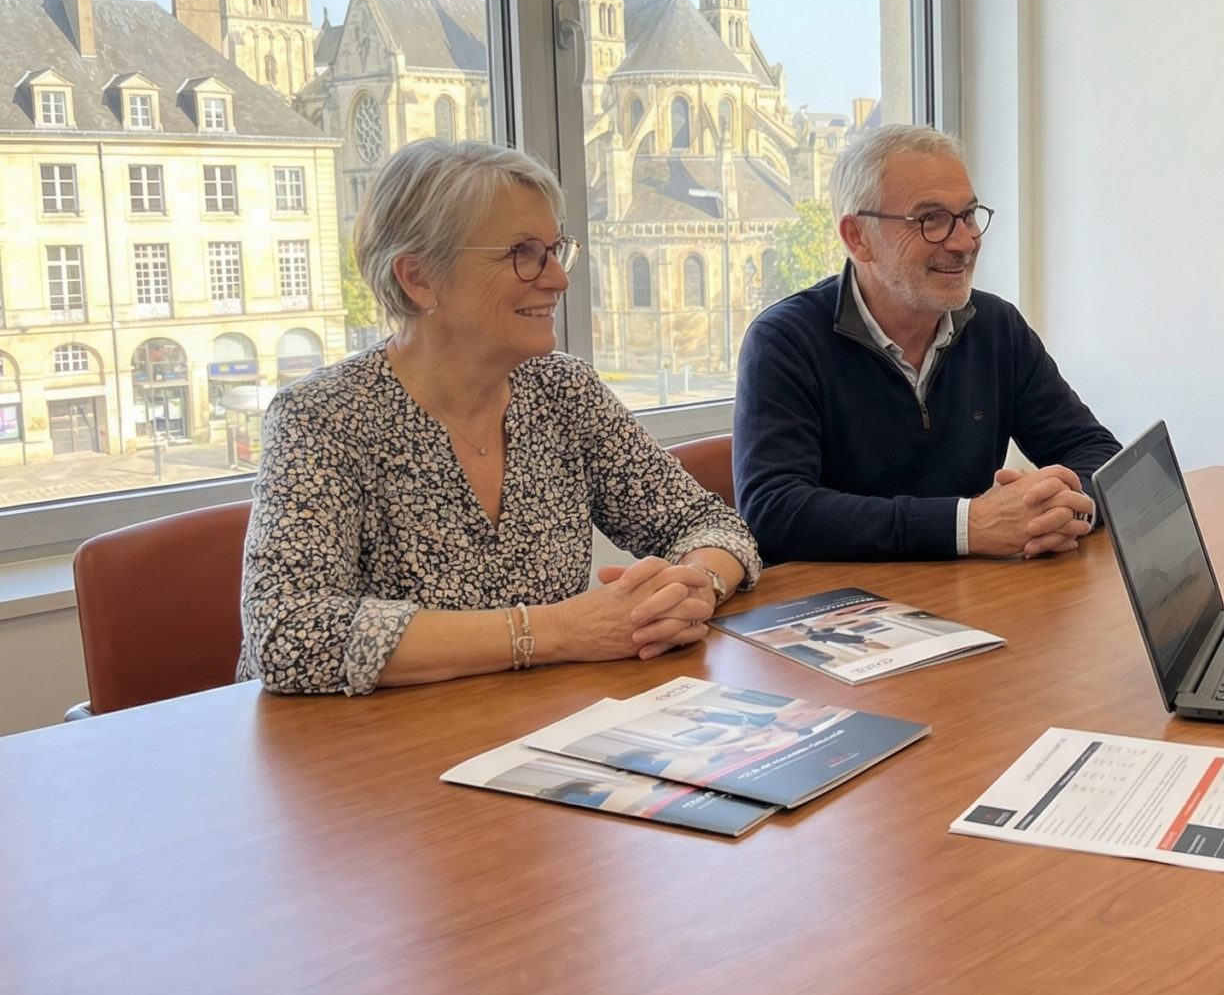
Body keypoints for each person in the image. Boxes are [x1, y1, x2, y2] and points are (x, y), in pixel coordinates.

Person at [240, 139, 760, 695]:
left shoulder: (564, 391)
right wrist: (560, 629)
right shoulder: (323, 417)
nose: (558, 278)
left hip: (531, 727)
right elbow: (287, 632)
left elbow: (710, 524)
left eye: (556, 249)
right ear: (419, 278)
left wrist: (693, 586)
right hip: (365, 756)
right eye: (523, 252)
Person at [734, 124, 1121, 563]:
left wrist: (1063, 512)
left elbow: (1099, 455)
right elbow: (775, 510)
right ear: (857, 237)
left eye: (969, 215)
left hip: (972, 595)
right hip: (846, 614)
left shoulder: (996, 327)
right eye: (931, 219)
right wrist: (966, 525)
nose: (964, 242)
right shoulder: (785, 341)